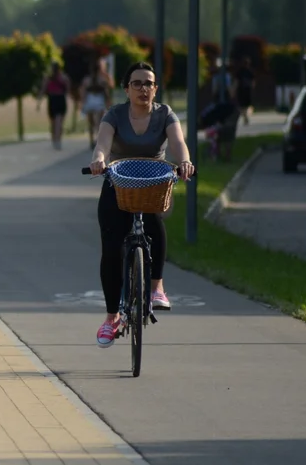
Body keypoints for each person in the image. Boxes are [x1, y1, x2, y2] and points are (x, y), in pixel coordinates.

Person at [88, 61, 195, 348]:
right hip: (118, 183)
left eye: (149, 83)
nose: (143, 88)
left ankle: (157, 287)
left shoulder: (165, 114)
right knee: (111, 249)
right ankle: (111, 318)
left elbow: (178, 143)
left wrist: (184, 161)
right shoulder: (115, 114)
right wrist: (99, 160)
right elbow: (103, 143)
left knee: (153, 223)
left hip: (153, 185)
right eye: (137, 83)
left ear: (155, 88)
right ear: (126, 89)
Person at [79, 59, 112, 149]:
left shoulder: (87, 79)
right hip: (98, 100)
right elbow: (107, 91)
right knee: (98, 122)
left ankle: (92, 140)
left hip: (90, 100)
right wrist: (108, 102)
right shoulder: (101, 79)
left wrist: (83, 102)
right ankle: (96, 140)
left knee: (91, 123)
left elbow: (83, 92)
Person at [38, 62, 71, 150]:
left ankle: (56, 140)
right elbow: (67, 90)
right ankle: (56, 140)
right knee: (56, 122)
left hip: (55, 99)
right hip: (57, 99)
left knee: (57, 122)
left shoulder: (60, 78)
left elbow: (43, 90)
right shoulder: (51, 78)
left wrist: (39, 102)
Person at [234, 57, 255, 125]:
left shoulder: (240, 72)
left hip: (242, 90)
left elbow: (236, 82)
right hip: (247, 90)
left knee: (242, 106)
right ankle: (245, 116)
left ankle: (245, 116)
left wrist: (234, 89)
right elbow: (253, 82)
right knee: (246, 105)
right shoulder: (250, 71)